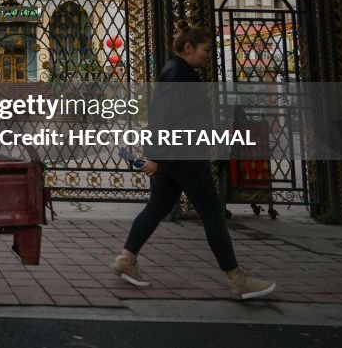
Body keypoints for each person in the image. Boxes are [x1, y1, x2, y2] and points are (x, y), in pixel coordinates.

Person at [110, 22, 276, 301]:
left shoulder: (178, 71)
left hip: (177, 154)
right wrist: (154, 155)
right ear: (188, 48)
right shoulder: (178, 74)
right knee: (212, 212)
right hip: (183, 155)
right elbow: (164, 115)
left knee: (157, 207)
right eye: (206, 50)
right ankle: (237, 279)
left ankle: (126, 259)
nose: (208, 55)